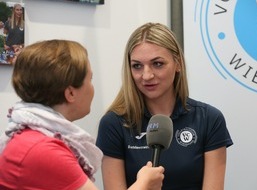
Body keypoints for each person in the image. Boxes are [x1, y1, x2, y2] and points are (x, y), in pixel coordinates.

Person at [0, 39, 164, 190]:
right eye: (90, 80)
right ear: (70, 93)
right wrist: (144, 183)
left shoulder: (33, 139)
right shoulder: (44, 151)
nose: (92, 89)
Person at [96, 22, 233, 190]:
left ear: (178, 64)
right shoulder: (114, 123)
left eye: (157, 64)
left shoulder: (209, 119)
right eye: (137, 66)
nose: (146, 75)